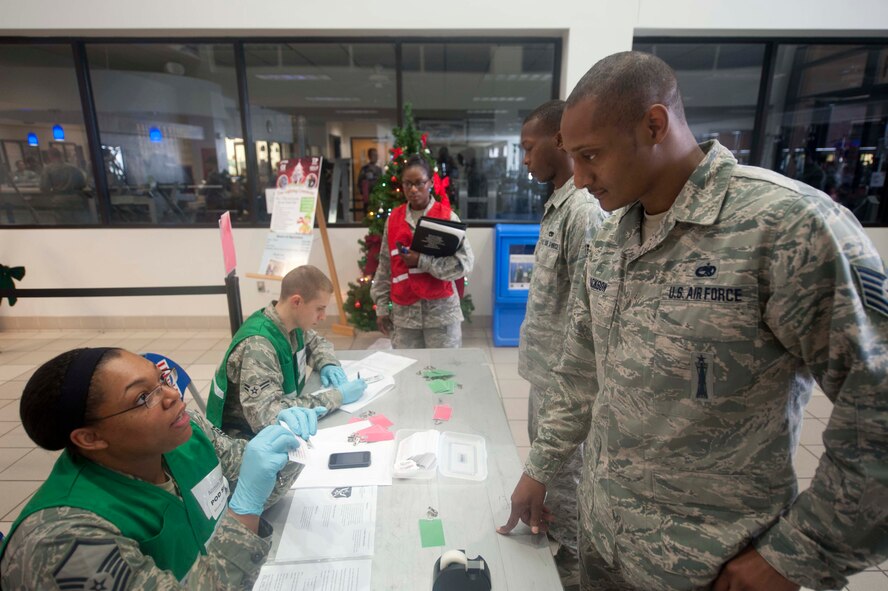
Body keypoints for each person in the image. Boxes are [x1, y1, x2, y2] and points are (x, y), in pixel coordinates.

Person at [498, 51, 888, 591]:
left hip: (709, 566)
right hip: (604, 546)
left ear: (654, 125)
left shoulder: (786, 225)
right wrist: (540, 467)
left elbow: (877, 405)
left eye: (591, 155)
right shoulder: (610, 239)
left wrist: (800, 553)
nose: (580, 178)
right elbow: (579, 370)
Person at [0, 347, 323, 588]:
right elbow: (247, 503)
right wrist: (244, 509)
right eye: (143, 398)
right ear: (90, 437)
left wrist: (290, 443)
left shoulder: (184, 434)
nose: (172, 395)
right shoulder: (65, 539)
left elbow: (257, 483)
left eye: (161, 379)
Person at [517, 99, 605, 591]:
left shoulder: (584, 210)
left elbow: (589, 311)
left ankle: (569, 570)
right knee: (548, 477)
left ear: (558, 141)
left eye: (530, 148)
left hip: (565, 383)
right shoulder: (560, 204)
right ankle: (554, 551)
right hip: (545, 372)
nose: (525, 160)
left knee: (566, 485)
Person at [208, 265, 367, 439]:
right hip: (244, 439)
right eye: (319, 308)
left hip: (272, 424)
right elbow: (268, 416)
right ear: (297, 302)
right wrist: (338, 396)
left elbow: (316, 342)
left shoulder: (291, 323)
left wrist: (327, 363)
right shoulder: (258, 345)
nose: (323, 316)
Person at [371, 154, 474, 348]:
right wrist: (382, 308)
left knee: (444, 373)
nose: (413, 189)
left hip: (442, 316)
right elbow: (385, 267)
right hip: (405, 319)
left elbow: (465, 263)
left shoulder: (447, 217)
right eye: (407, 184)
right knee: (408, 372)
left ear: (430, 183)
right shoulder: (393, 220)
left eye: (419, 183)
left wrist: (422, 261)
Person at [357, 147, 383, 212]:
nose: (376, 157)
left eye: (376, 155)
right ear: (369, 156)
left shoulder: (379, 169)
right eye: (374, 155)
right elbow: (360, 182)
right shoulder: (365, 169)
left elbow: (381, 181)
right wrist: (363, 193)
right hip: (368, 196)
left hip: (378, 196)